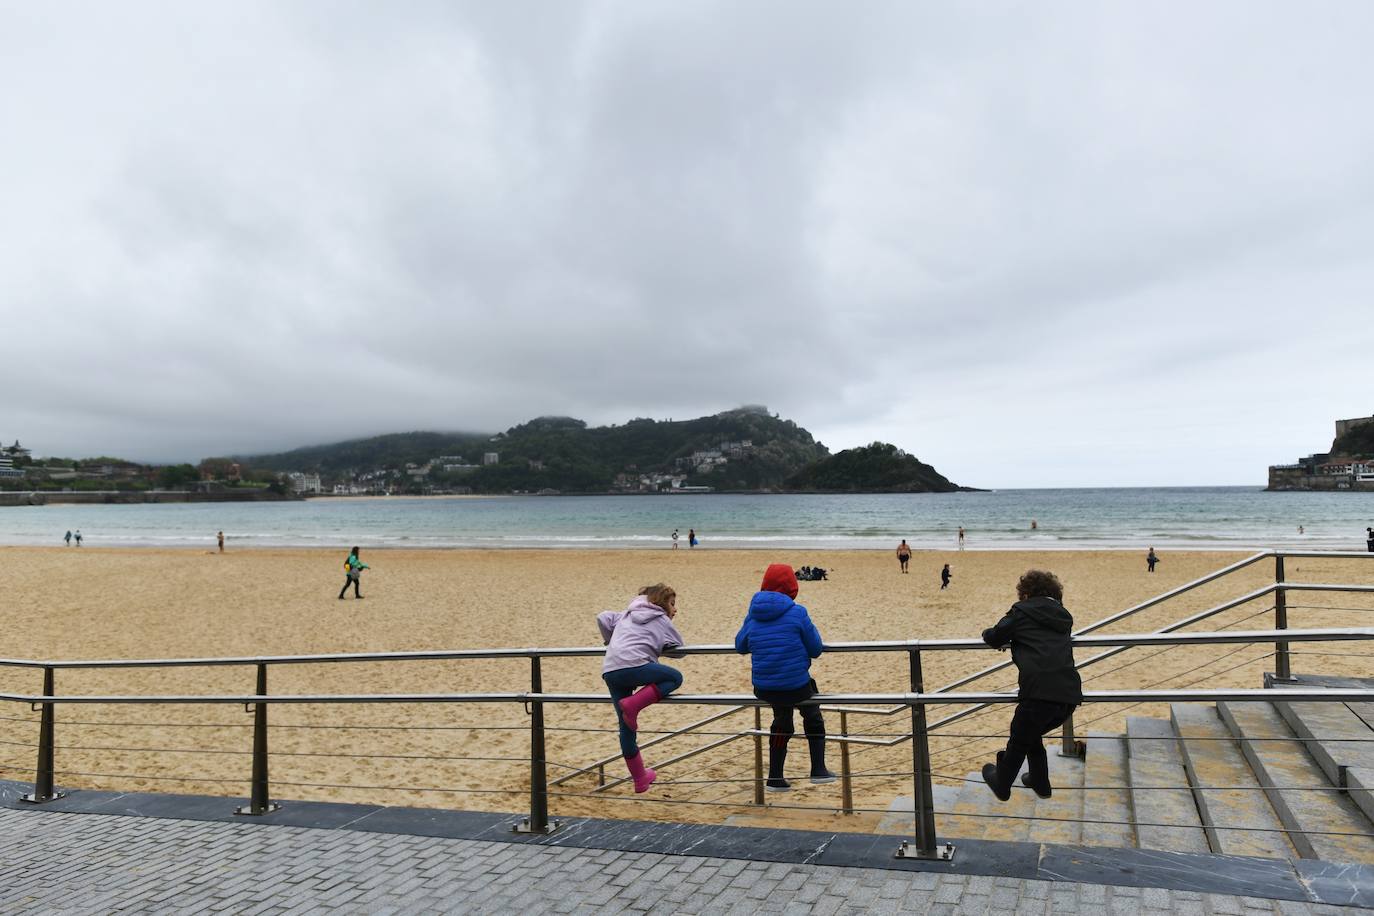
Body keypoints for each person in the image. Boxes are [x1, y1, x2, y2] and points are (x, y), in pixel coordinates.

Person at [980, 570, 1083, 801]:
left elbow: (996, 636)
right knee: (1030, 732)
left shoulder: (1021, 611)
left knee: (1019, 736)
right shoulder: (1063, 616)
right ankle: (1039, 780)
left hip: (1038, 692)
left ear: (1025, 595)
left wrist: (986, 632)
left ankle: (1002, 783)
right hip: (1068, 695)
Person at [735, 564, 835, 791]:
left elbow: (740, 646)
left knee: (782, 720)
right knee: (812, 714)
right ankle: (818, 769)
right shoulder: (797, 612)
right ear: (792, 587)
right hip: (795, 686)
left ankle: (775, 777)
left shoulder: (753, 614)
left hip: (764, 687)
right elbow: (816, 649)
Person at [598, 583, 685, 793]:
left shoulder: (626, 613)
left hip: (611, 669)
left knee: (626, 728)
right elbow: (680, 649)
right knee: (674, 678)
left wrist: (611, 641)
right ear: (663, 603)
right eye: (672, 604)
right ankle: (634, 704)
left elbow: (602, 617)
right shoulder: (662, 619)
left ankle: (640, 779)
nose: (675, 610)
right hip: (634, 665)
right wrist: (658, 646)